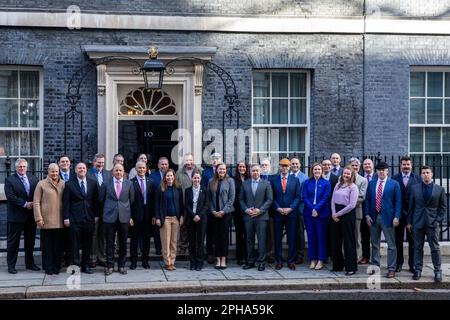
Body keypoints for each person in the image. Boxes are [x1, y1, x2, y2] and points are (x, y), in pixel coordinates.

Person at [407, 166, 447, 282]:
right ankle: (418, 270)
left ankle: (438, 271)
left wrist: (437, 220)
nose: (425, 174)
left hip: (432, 223)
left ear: (432, 174)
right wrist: (409, 222)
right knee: (417, 247)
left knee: (434, 248)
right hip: (417, 223)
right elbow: (411, 207)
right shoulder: (415, 188)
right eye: (423, 173)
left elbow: (443, 208)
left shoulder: (439, 189)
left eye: (427, 172)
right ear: (421, 175)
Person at [364, 162, 401, 278]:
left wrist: (397, 216)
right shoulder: (371, 183)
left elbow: (398, 202)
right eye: (379, 170)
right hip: (373, 217)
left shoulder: (394, 184)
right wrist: (367, 215)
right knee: (374, 243)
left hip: (389, 218)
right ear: (376, 171)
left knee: (391, 245)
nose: (381, 172)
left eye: (383, 170)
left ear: (387, 171)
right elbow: (368, 200)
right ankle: (375, 266)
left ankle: (391, 268)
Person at [63, 162, 99, 274]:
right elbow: (66, 203)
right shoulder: (69, 184)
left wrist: (96, 215)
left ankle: (85, 266)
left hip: (89, 219)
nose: (81, 170)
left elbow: (96, 201)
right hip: (74, 219)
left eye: (83, 168)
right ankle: (75, 267)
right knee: (74, 245)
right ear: (75, 170)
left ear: (86, 170)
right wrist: (66, 217)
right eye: (79, 168)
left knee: (87, 244)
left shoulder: (93, 183)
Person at [5, 159, 40, 274]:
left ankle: (30, 264)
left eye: (24, 166)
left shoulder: (34, 179)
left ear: (27, 167)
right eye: (20, 167)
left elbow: (38, 195)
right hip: (16, 217)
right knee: (13, 242)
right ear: (16, 168)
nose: (22, 168)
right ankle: (11, 266)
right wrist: (25, 204)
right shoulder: (9, 180)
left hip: (30, 217)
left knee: (30, 242)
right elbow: (10, 197)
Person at [100, 163, 134, 275]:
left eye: (120, 170)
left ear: (123, 172)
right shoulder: (105, 184)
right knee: (109, 242)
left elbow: (131, 200)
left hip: (124, 216)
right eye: (116, 170)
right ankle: (109, 266)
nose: (118, 172)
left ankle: (122, 265)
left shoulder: (129, 184)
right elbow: (101, 200)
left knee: (123, 243)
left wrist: (130, 216)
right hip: (109, 217)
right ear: (113, 172)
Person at [240, 164, 273, 271]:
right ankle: (250, 261)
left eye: (257, 171)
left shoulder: (266, 183)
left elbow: (269, 199)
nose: (255, 172)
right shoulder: (245, 184)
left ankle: (261, 262)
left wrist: (260, 210)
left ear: (260, 172)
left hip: (261, 217)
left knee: (261, 240)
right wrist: (246, 210)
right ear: (250, 172)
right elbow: (240, 199)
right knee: (249, 240)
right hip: (248, 216)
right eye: (253, 171)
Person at [34, 163, 65, 275]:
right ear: (48, 172)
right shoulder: (41, 184)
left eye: (56, 171)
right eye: (52, 171)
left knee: (58, 247)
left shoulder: (63, 184)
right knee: (47, 247)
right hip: (46, 221)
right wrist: (38, 218)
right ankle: (48, 267)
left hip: (60, 221)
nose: (55, 174)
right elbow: (36, 202)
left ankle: (56, 267)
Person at [392, 155, 421, 273]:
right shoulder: (394, 178)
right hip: (398, 215)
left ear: (411, 165)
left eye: (408, 164)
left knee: (412, 242)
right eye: (404, 164)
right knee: (398, 240)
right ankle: (399, 263)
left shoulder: (417, 179)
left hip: (412, 215)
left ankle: (412, 264)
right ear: (400, 165)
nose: (406, 166)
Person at [271, 159, 301, 270]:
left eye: (286, 166)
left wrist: (291, 208)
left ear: (289, 167)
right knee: (277, 238)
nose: (284, 168)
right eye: (282, 166)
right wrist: (277, 208)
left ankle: (291, 261)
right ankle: (279, 261)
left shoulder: (295, 180)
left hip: (291, 213)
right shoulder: (273, 179)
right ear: (279, 167)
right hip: (278, 213)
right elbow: (271, 197)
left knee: (292, 238)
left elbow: (298, 197)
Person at [330, 165, 359, 275]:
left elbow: (352, 205)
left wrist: (338, 214)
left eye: (348, 174)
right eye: (344, 173)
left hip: (347, 215)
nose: (346, 175)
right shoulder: (338, 184)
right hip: (335, 214)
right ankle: (338, 265)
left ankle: (351, 267)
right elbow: (332, 199)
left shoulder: (353, 187)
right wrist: (333, 213)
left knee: (348, 242)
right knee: (335, 241)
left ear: (352, 175)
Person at [303, 162, 331, 270]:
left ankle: (321, 259)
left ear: (322, 171)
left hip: (322, 214)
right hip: (309, 213)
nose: (317, 171)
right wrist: (312, 209)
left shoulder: (326, 183)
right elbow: (304, 197)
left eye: (319, 169)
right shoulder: (307, 182)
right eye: (315, 169)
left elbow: (325, 198)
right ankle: (313, 259)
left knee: (321, 237)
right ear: (312, 171)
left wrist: (317, 209)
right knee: (311, 237)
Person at [155, 169, 184, 271]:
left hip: (175, 218)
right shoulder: (161, 188)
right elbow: (156, 204)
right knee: (166, 241)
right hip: (165, 219)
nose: (169, 178)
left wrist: (181, 216)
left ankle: (172, 261)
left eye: (171, 176)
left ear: (174, 176)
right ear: (165, 177)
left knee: (173, 242)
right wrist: (158, 217)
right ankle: (167, 263)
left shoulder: (178, 188)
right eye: (167, 176)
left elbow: (181, 204)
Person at [208, 163, 235, 269]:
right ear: (216, 170)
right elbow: (208, 198)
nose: (222, 171)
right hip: (214, 214)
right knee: (216, 237)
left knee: (224, 237)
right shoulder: (211, 181)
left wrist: (223, 211)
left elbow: (231, 198)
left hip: (226, 214)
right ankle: (217, 258)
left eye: (223, 169)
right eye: (220, 169)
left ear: (226, 170)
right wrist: (213, 210)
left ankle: (223, 259)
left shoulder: (230, 181)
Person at [176, 153, 203, 256]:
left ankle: (195, 246)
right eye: (186, 161)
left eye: (190, 160)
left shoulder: (200, 171)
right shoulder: (179, 173)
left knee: (196, 226)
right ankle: (183, 247)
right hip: (184, 203)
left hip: (197, 204)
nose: (189, 163)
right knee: (183, 226)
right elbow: (177, 188)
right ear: (184, 162)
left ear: (193, 160)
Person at [87, 153, 110, 268]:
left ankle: (102, 257)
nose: (100, 164)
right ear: (94, 162)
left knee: (103, 235)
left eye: (102, 162)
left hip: (105, 211)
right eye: (98, 162)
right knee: (93, 235)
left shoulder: (108, 174)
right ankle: (93, 258)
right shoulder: (88, 174)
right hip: (93, 211)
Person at [130, 161, 153, 270]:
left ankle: (145, 261)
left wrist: (154, 216)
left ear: (146, 168)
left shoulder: (150, 182)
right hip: (135, 215)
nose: (141, 170)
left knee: (146, 239)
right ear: (136, 169)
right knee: (134, 239)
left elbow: (154, 200)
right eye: (139, 168)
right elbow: (128, 201)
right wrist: (129, 216)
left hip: (148, 215)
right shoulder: (131, 182)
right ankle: (133, 261)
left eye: (143, 168)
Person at [184, 170, 210, 271]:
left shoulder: (205, 190)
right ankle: (192, 262)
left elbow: (206, 205)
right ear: (192, 179)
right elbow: (186, 205)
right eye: (195, 178)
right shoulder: (187, 190)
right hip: (191, 219)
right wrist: (193, 215)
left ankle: (199, 263)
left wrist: (199, 215)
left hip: (202, 219)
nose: (196, 180)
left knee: (200, 241)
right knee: (191, 242)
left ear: (200, 179)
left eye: (198, 178)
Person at [349, 158, 368, 262]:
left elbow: (362, 196)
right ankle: (346, 256)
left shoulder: (363, 180)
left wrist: (349, 205)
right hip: (344, 213)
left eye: (357, 166)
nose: (355, 167)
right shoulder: (344, 177)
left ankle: (357, 257)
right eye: (353, 165)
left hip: (356, 211)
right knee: (346, 236)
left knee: (357, 237)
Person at [149, 157, 169, 256]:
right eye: (162, 164)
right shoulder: (152, 176)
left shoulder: (171, 176)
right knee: (157, 230)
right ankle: (158, 248)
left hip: (168, 209)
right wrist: (154, 214)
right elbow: (151, 196)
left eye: (165, 164)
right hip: (157, 208)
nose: (164, 166)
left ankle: (166, 249)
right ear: (158, 165)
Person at [290, 157, 308, 265]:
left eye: (296, 163)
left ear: (300, 165)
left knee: (299, 232)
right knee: (290, 232)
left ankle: (300, 255)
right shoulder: (287, 176)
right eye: (293, 164)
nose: (295, 165)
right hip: (289, 209)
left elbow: (302, 195)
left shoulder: (304, 178)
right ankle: (292, 254)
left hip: (300, 209)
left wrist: (293, 205)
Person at [359, 158, 377, 264]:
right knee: (365, 236)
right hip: (363, 210)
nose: (367, 166)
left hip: (376, 210)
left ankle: (375, 257)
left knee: (375, 236)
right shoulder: (361, 177)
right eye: (365, 164)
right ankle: (366, 256)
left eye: (369, 164)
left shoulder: (378, 176)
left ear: (373, 165)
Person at [58, 154, 75, 268]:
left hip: (73, 210)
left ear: (70, 163)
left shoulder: (75, 175)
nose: (65, 163)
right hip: (58, 209)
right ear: (59, 163)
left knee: (71, 237)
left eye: (66, 161)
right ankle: (60, 259)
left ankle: (70, 259)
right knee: (60, 236)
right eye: (62, 162)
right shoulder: (54, 174)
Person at [232, 161, 250, 265]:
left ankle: (248, 256)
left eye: (243, 166)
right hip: (237, 211)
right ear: (237, 168)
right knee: (239, 234)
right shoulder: (233, 180)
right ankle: (240, 257)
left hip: (248, 210)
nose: (242, 168)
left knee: (248, 234)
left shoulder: (249, 179)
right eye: (240, 166)